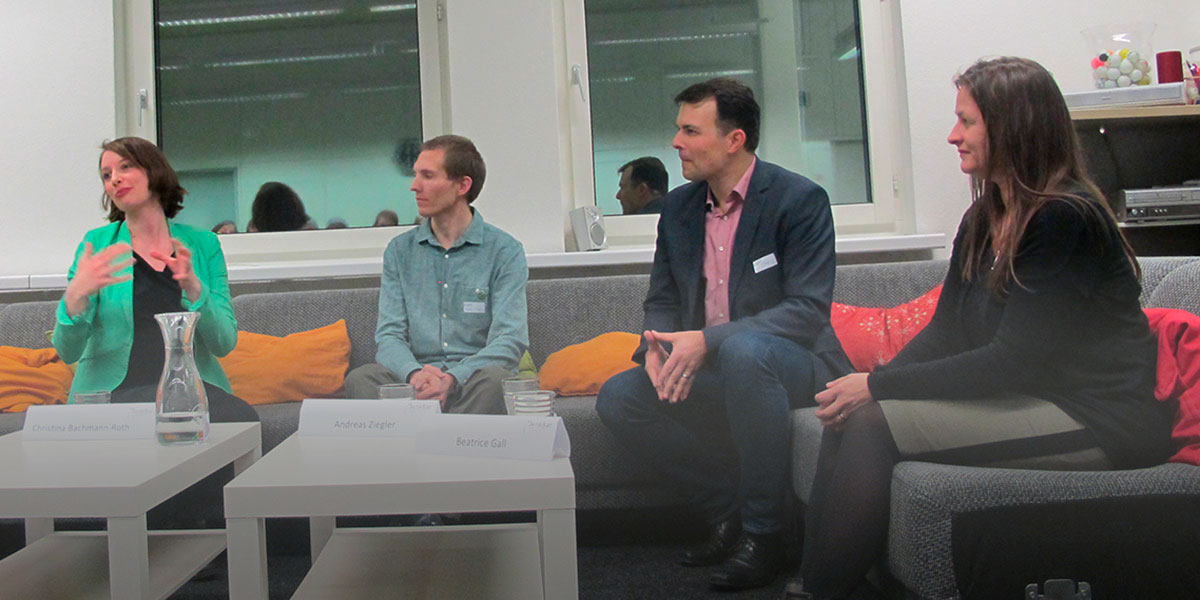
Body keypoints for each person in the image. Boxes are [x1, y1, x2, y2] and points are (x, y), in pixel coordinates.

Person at [781, 57, 1174, 600]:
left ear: (1012, 127)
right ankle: (817, 582)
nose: (953, 135)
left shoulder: (1064, 218)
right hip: (1031, 398)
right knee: (854, 415)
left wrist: (877, 386)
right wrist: (869, 386)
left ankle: (821, 590)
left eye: (966, 121)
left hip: (1098, 416)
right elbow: (946, 332)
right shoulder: (984, 217)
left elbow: (1011, 361)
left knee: (873, 422)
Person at [596, 77, 852, 592]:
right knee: (620, 396)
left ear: (734, 140)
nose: (676, 143)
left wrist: (708, 341)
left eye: (691, 131)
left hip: (793, 365)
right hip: (717, 364)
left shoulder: (798, 199)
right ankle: (727, 511)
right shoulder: (678, 209)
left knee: (744, 351)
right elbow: (663, 297)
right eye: (678, 130)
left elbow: (806, 310)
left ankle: (766, 535)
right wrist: (655, 347)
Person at [54, 137, 258, 524]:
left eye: (125, 167)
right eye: (106, 175)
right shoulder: (97, 245)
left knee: (239, 416)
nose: (114, 179)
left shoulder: (203, 244)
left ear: (153, 171)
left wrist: (195, 289)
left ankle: (208, 538)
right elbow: (67, 351)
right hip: (118, 393)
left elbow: (224, 342)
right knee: (169, 417)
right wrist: (76, 297)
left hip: (191, 391)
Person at [344, 135, 528, 414]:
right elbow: (389, 335)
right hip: (414, 383)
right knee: (362, 378)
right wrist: (415, 375)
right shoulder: (399, 251)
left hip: (471, 382)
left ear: (462, 185)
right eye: (416, 175)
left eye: (427, 176)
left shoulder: (505, 251)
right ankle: (438, 431)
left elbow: (509, 340)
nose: (414, 186)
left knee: (496, 380)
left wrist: (452, 379)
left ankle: (438, 435)